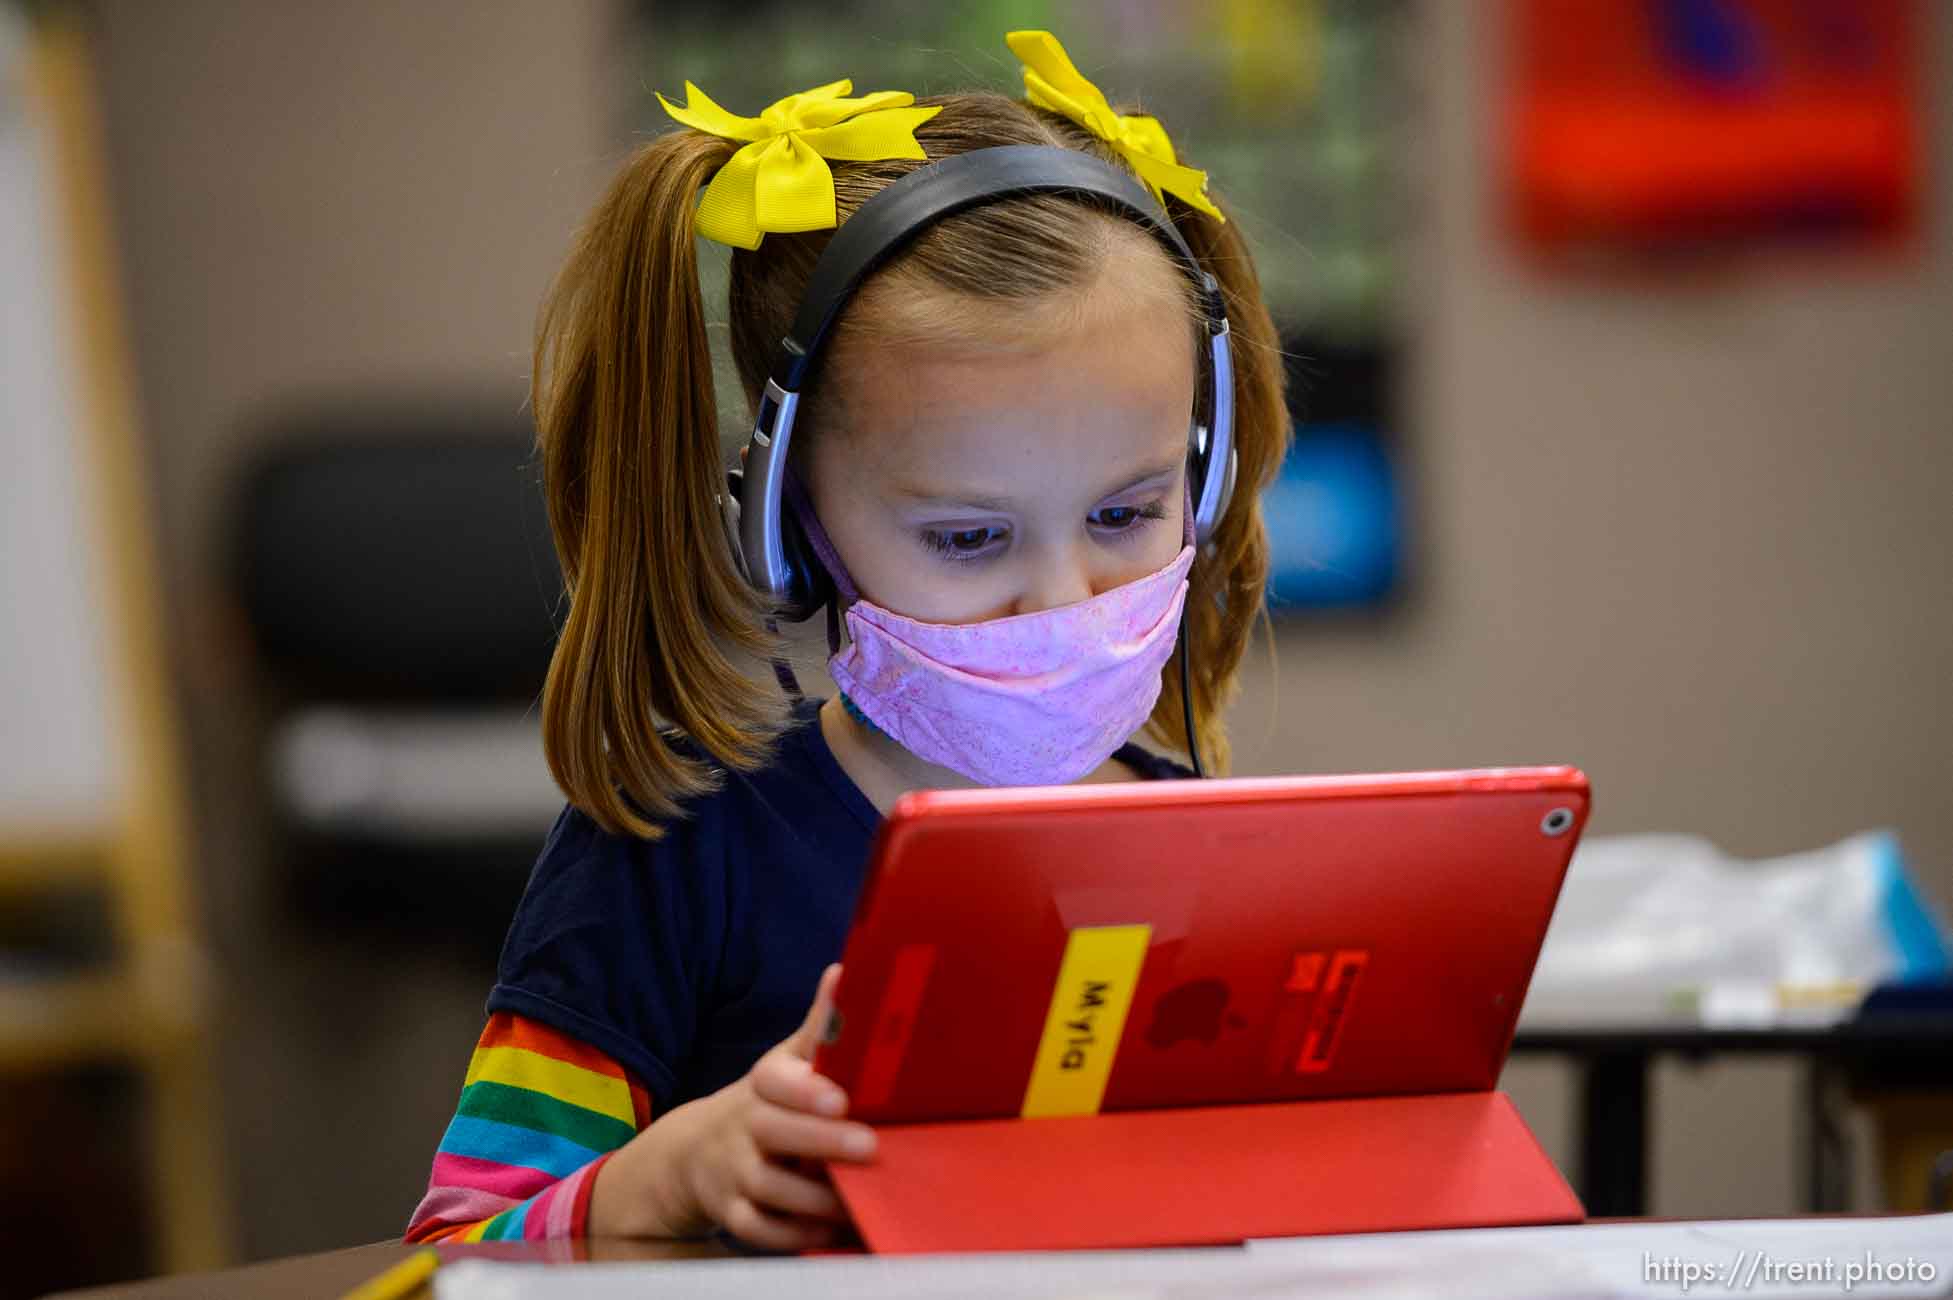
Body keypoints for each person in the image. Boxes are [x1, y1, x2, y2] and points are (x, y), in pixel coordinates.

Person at [405, 29, 1288, 1250]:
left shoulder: (1199, 845)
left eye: (1126, 515)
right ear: (788, 525)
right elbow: (452, 1251)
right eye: (971, 539)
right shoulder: (671, 857)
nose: (1063, 600)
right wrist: (659, 1181)